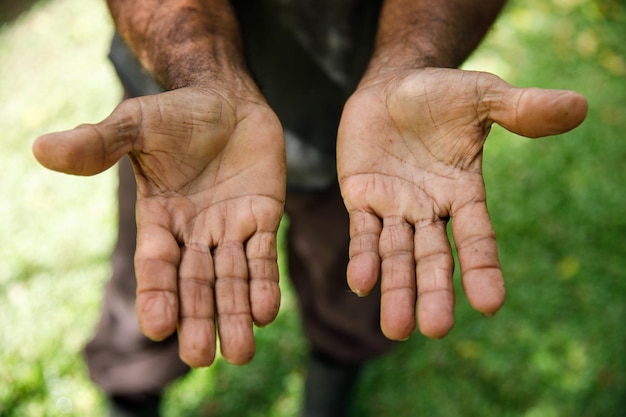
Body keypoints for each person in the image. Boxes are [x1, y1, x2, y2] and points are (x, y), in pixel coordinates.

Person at [33, 0, 588, 416]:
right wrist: (204, 74)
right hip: (185, 130)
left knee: (356, 286)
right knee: (159, 286)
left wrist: (409, 63)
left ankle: (330, 384)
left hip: (376, 131)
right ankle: (132, 393)